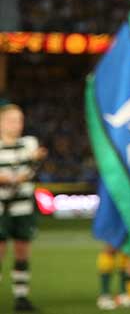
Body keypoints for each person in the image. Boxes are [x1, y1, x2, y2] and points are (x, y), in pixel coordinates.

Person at [99, 99, 130, 311]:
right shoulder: (115, 140)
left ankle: (123, 291)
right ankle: (105, 293)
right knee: (111, 245)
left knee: (129, 247)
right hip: (116, 200)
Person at [0, 105, 45, 313]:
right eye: (11, 120)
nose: (17, 124)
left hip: (23, 206)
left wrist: (19, 176)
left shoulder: (29, 142)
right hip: (1, 207)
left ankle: (21, 297)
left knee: (22, 252)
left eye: (19, 120)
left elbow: (33, 167)